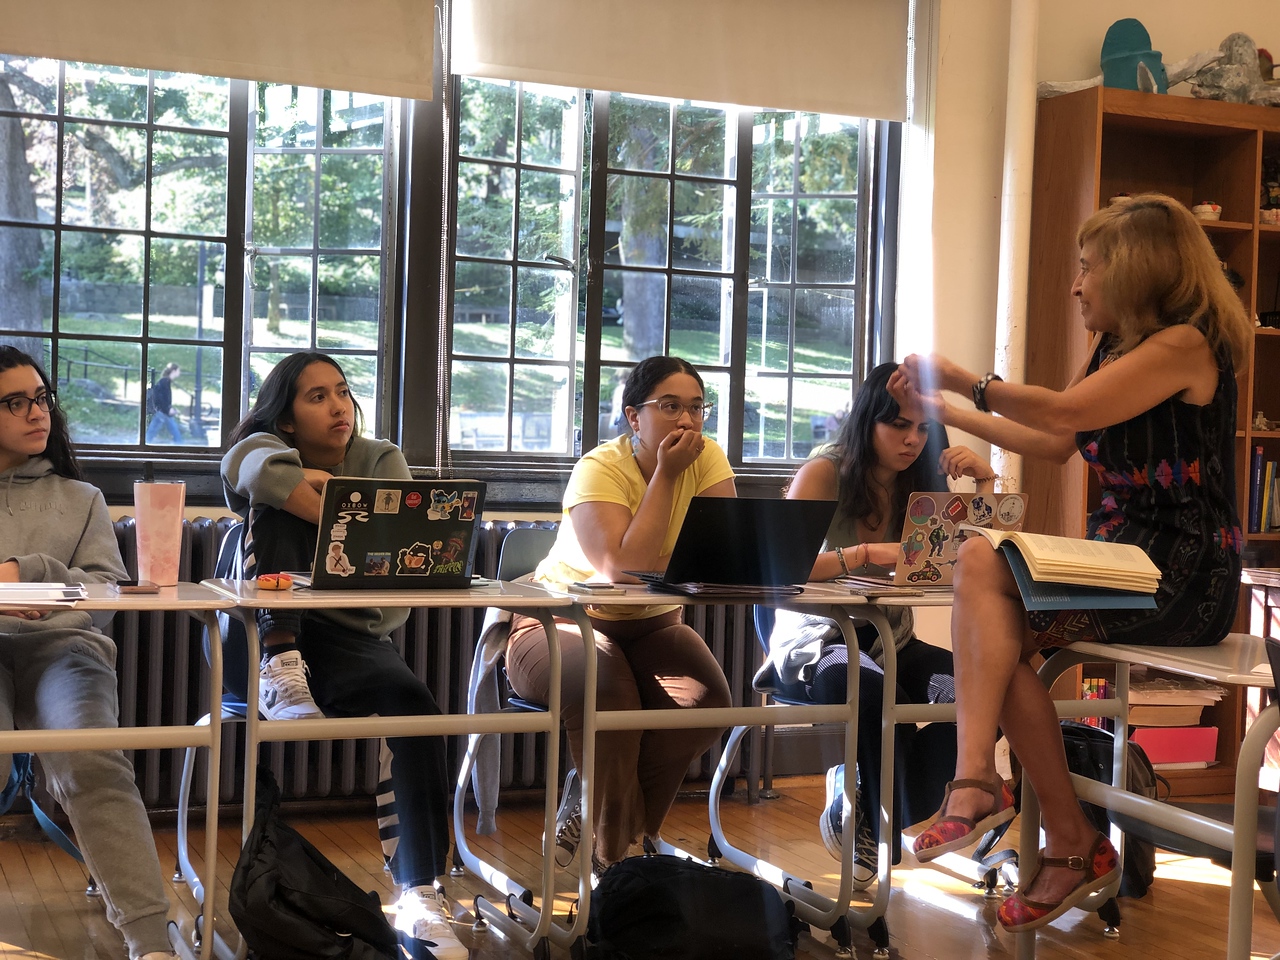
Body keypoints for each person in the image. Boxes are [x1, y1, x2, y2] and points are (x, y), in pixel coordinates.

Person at [889, 193, 1251, 931]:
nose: (1077, 284)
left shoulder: (1185, 344)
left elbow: (1057, 416)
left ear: (1132, 270)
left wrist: (961, 380)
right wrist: (944, 412)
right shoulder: (1116, 350)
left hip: (1182, 572)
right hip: (1123, 560)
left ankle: (995, 793)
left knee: (984, 570)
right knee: (990, 608)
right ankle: (1051, 826)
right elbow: (1060, 444)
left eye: (1087, 269)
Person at [220, 351, 464, 959]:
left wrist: (332, 496)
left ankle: (420, 890)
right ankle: (280, 663)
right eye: (317, 397)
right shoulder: (260, 447)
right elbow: (248, 468)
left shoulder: (381, 458)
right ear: (286, 419)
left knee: (418, 710)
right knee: (270, 504)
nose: (339, 407)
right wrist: (334, 500)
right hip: (260, 634)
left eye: (344, 392)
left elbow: (400, 542)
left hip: (352, 637)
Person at [755, 361, 995, 881]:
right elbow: (780, 564)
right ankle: (872, 813)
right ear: (869, 422)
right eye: (899, 426)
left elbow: (973, 557)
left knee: (984, 691)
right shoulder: (827, 470)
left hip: (893, 638)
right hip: (818, 640)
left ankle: (870, 807)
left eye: (923, 428)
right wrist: (862, 553)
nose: (913, 440)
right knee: (873, 689)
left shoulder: (922, 484)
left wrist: (985, 481)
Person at [506, 355, 735, 875]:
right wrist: (669, 477)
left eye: (697, 408)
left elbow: (717, 552)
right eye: (670, 407)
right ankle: (615, 865)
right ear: (634, 418)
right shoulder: (600, 467)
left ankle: (599, 811)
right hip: (561, 620)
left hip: (651, 624)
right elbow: (624, 568)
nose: (687, 421)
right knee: (606, 696)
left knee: (707, 702)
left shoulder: (710, 459)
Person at [0, 345, 176, 960]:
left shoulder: (83, 499)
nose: (36, 412)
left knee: (93, 759)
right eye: (15, 402)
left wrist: (29, 572)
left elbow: (104, 594)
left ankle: (151, 940)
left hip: (64, 649)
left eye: (41, 398)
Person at [145, 362, 182, 444]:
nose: (179, 373)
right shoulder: (164, 382)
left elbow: (163, 398)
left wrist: (169, 408)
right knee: (174, 431)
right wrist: (168, 409)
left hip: (162, 411)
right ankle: (180, 445)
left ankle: (179, 444)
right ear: (173, 371)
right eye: (178, 370)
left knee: (153, 431)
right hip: (163, 411)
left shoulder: (165, 381)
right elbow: (162, 398)